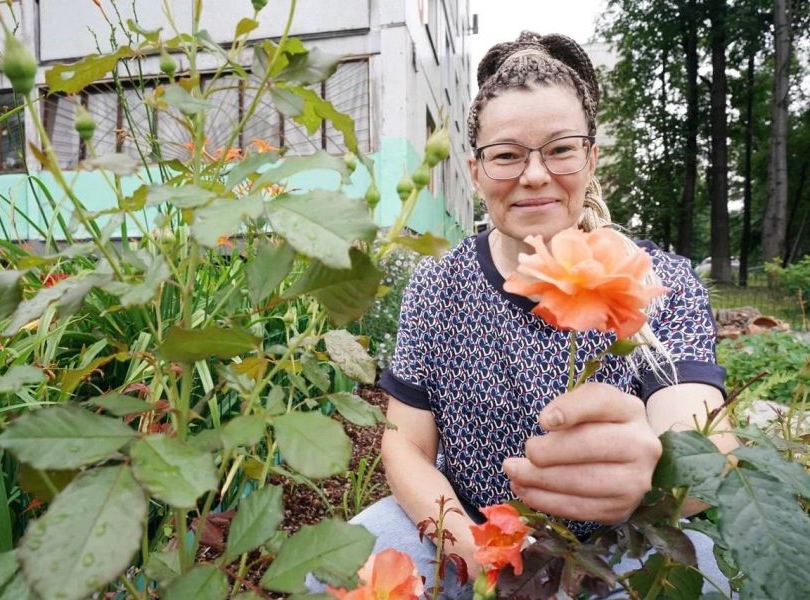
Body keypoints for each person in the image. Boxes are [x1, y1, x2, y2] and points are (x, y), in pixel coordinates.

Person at [309, 32, 738, 598]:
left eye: (560, 149)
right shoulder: (438, 285)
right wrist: (472, 550)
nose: (534, 175)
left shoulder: (653, 280)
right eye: (507, 155)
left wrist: (655, 476)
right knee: (330, 573)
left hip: (617, 550)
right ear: (474, 170)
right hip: (466, 530)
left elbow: (707, 448)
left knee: (715, 582)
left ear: (590, 158)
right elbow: (405, 445)